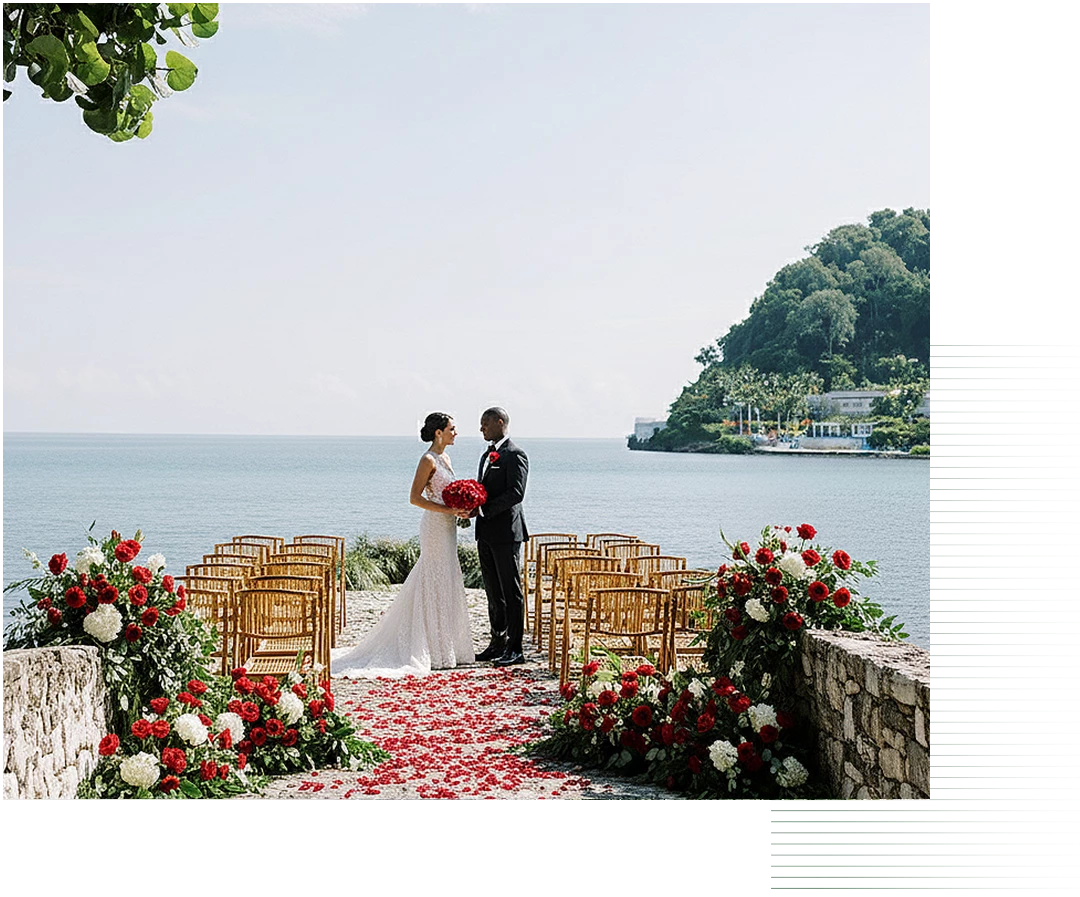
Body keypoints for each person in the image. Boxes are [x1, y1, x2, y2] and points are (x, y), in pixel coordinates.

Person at [331, 412, 475, 678]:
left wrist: (462, 508)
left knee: (446, 578)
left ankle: (443, 646)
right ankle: (428, 647)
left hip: (448, 527)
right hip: (434, 526)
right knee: (432, 576)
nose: (456, 432)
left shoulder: (446, 458)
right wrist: (448, 511)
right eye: (452, 428)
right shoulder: (427, 460)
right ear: (438, 433)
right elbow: (414, 498)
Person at [470, 406, 529, 667]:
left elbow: (516, 493)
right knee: (493, 591)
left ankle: (515, 648)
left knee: (511, 591)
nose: (481, 429)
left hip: (506, 533)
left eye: (485, 423)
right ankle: (497, 642)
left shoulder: (515, 454)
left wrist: (482, 508)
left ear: (499, 422)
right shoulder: (488, 454)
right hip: (485, 532)